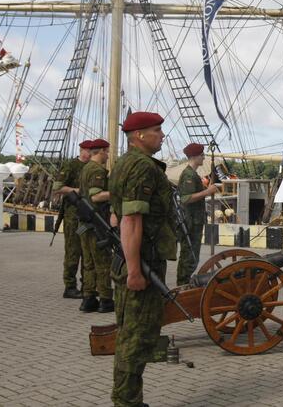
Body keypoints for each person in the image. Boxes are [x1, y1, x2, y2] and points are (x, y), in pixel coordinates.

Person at [109, 112, 177, 407]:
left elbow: (116, 214)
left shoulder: (123, 163)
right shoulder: (141, 167)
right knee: (136, 337)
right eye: (157, 130)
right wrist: (135, 271)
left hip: (139, 258)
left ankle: (129, 399)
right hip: (141, 263)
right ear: (139, 136)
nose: (161, 135)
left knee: (133, 333)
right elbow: (131, 220)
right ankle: (126, 402)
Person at [78, 138, 114, 313]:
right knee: (102, 262)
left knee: (89, 263)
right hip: (97, 220)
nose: (108, 155)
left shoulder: (85, 169)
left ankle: (88, 297)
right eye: (107, 152)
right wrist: (117, 193)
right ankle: (106, 299)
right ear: (101, 151)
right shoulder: (97, 170)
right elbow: (96, 196)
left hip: (85, 221)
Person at [53, 139, 92, 299]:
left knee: (87, 252)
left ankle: (87, 286)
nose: (91, 154)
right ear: (82, 150)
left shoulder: (92, 167)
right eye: (90, 151)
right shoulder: (71, 166)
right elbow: (58, 187)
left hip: (87, 214)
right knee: (73, 251)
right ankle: (69, 286)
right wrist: (78, 191)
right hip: (72, 215)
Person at [176, 142, 218, 286]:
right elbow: (186, 198)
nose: (204, 157)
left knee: (192, 256)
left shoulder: (193, 174)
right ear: (194, 156)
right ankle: (182, 285)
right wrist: (207, 192)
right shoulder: (188, 174)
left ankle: (184, 283)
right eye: (201, 155)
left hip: (195, 220)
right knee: (189, 256)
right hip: (190, 222)